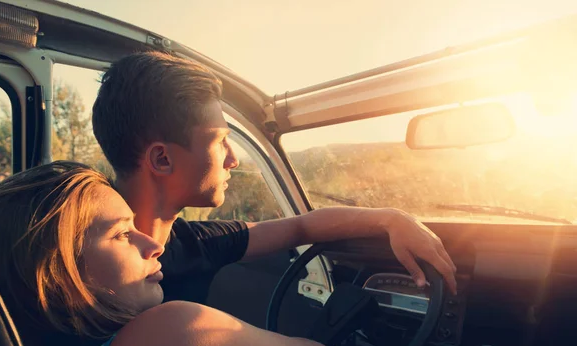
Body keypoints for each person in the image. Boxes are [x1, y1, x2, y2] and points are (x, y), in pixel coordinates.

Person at [0, 161, 426, 346]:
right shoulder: (167, 338)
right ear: (55, 277)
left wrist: (388, 217)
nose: (152, 245)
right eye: (119, 234)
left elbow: (299, 228)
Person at [91, 51, 458, 307]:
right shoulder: (76, 266)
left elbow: (300, 227)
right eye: (220, 142)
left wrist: (391, 219)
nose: (233, 160)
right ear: (162, 158)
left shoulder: (194, 242)